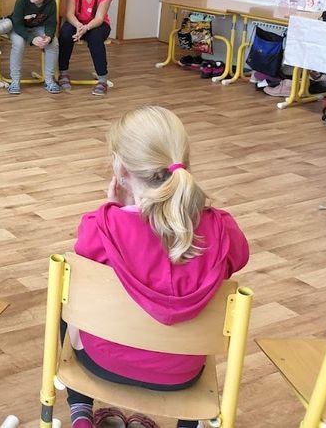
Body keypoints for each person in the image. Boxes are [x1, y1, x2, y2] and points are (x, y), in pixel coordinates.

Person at [64, 105, 249, 428]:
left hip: (102, 361)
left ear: (121, 171)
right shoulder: (223, 230)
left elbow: (87, 260)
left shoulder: (100, 226)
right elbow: (238, 258)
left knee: (67, 301)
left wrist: (115, 210)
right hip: (182, 374)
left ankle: (80, 411)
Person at [58, 0, 113, 96]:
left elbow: (99, 18)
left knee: (95, 38)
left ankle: (102, 80)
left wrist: (86, 28)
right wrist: (78, 25)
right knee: (65, 34)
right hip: (77, 22)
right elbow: (69, 14)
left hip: (97, 24)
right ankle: (63, 73)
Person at [7, 0, 60, 95]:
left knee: (53, 43)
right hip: (19, 29)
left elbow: (51, 23)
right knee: (19, 43)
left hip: (37, 28)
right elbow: (18, 25)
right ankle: (15, 81)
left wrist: (48, 36)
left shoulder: (51, 3)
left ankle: (49, 80)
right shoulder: (22, 1)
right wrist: (32, 39)